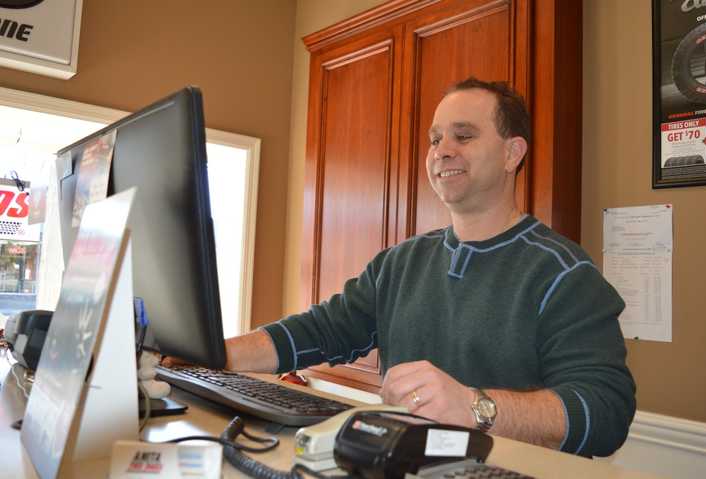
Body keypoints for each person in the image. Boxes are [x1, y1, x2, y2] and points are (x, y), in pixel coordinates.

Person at [175, 78, 636, 457]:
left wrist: (476, 407)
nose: (442, 150)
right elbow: (319, 331)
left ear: (513, 153)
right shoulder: (401, 262)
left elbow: (606, 412)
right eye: (436, 138)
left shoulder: (564, 273)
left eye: (464, 135)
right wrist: (211, 355)